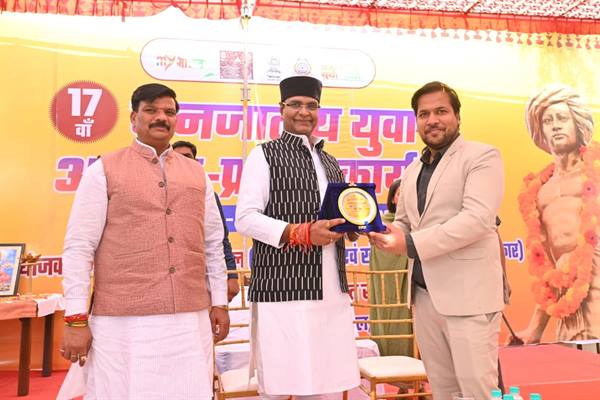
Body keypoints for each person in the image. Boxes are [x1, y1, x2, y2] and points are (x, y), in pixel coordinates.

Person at [60, 83, 230, 399]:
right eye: (151, 110)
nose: (161, 117)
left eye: (169, 112)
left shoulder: (197, 174)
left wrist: (219, 301)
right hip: (123, 323)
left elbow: (213, 243)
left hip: (189, 320)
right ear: (133, 118)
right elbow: (79, 246)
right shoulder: (103, 170)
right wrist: (75, 318)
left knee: (189, 390)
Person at [368, 81, 505, 400]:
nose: (432, 120)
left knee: (477, 392)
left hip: (469, 298)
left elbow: (476, 220)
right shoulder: (413, 169)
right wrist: (376, 228)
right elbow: (403, 222)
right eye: (424, 114)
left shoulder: (482, 156)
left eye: (441, 111)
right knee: (443, 391)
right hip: (424, 296)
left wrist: (410, 244)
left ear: (457, 116)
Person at [235, 75, 360, 399]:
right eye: (296, 104)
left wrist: (353, 226)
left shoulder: (330, 161)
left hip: (331, 290)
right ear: (281, 109)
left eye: (311, 105)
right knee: (280, 382)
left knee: (326, 386)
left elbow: (337, 213)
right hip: (284, 288)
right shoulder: (264, 155)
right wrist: (300, 232)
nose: (304, 112)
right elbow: (245, 218)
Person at [515, 85, 600, 343]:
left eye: (562, 118)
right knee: (573, 363)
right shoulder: (540, 191)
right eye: (548, 121)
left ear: (578, 124)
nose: (555, 126)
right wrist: (535, 328)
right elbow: (549, 269)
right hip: (570, 304)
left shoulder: (597, 171)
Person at [172, 140, 241, 302]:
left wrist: (231, 275)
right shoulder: (159, 191)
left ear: (196, 162)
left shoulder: (207, 194)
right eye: (178, 158)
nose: (184, 162)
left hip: (201, 276)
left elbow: (220, 238)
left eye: (188, 157)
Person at [368, 179, 412, 357]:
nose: (403, 198)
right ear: (393, 198)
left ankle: (415, 365)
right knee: (387, 316)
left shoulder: (419, 224)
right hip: (385, 284)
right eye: (400, 194)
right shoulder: (381, 225)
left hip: (410, 283)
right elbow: (379, 257)